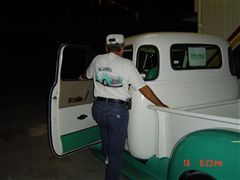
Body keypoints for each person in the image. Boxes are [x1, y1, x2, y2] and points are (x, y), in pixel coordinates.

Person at [80, 34, 168, 180]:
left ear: (106, 48)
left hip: (98, 109)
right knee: (117, 153)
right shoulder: (126, 64)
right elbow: (143, 88)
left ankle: (106, 155)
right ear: (122, 48)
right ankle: (111, 165)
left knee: (105, 130)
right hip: (117, 112)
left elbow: (86, 75)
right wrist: (160, 104)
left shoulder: (97, 59)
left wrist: (81, 77)